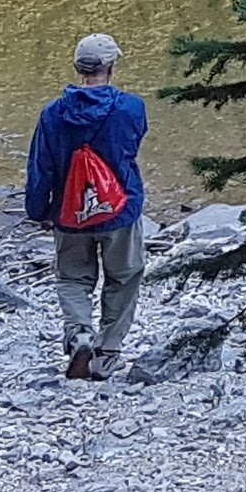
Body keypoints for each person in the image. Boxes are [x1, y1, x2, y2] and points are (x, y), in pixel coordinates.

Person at [22, 32, 150, 378]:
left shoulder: (52, 114)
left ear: (78, 68)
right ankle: (107, 353)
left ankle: (80, 334)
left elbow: (40, 168)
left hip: (70, 214)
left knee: (72, 278)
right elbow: (131, 146)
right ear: (110, 66)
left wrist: (39, 211)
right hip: (119, 210)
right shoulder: (131, 108)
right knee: (124, 277)